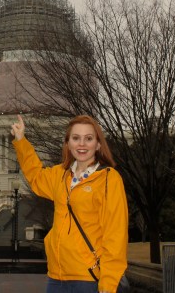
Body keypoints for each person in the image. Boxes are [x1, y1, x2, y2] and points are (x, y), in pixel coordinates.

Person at [11, 114, 129, 293]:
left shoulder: (108, 179)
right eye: (76, 138)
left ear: (98, 144)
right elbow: (35, 176)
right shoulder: (60, 175)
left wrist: (109, 282)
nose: (81, 144)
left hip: (88, 277)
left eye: (88, 138)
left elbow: (116, 234)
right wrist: (21, 141)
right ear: (68, 144)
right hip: (57, 276)